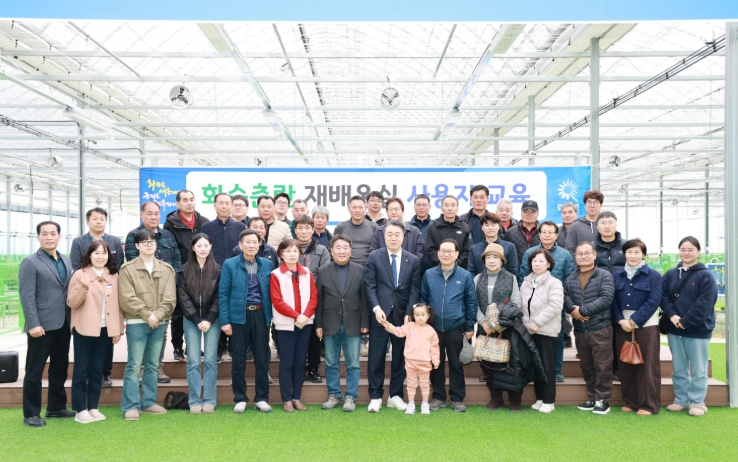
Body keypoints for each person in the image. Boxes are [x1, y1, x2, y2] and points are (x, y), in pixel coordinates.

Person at [19, 221, 75, 427]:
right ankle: (31, 413)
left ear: (59, 236)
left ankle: (56, 408)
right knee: (35, 370)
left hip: (64, 323)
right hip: (41, 326)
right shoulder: (30, 262)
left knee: (59, 368)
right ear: (38, 237)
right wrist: (33, 323)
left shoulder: (66, 261)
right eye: (45, 234)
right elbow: (27, 295)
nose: (49, 237)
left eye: (53, 233)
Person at [119, 229, 177, 421]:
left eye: (152, 241)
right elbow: (127, 297)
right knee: (134, 365)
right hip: (137, 322)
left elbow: (170, 298)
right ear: (137, 246)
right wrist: (147, 314)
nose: (149, 244)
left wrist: (157, 315)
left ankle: (149, 402)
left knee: (153, 364)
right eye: (144, 242)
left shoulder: (166, 269)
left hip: (159, 322)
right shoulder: (127, 269)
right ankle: (131, 405)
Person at [364, 221, 421, 412]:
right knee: (376, 356)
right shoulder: (375, 257)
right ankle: (375, 396)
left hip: (402, 316)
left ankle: (395, 395)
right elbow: (369, 285)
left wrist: (409, 313)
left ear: (403, 237)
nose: (393, 238)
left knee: (400, 356)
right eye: (390, 234)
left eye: (397, 234)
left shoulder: (413, 260)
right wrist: (376, 308)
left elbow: (414, 289)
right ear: (384, 236)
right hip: (380, 315)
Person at [124, 201, 181, 383]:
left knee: (161, 332)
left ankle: (157, 367)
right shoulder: (133, 236)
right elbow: (133, 264)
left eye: (156, 213)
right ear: (141, 215)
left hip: (164, 295)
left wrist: (170, 287)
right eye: (149, 213)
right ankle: (142, 369)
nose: (154, 217)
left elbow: (177, 261)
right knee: (140, 333)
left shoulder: (168, 235)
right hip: (141, 295)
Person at [66, 240, 123, 424]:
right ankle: (80, 409)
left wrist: (117, 329)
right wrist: (83, 288)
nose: (100, 257)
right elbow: (71, 302)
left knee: (97, 370)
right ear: (89, 255)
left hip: (105, 330)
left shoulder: (113, 275)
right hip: (84, 329)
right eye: (96, 253)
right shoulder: (80, 274)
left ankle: (93, 407)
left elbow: (118, 305)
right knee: (81, 369)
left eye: (104, 253)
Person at [662, 236, 718, 417]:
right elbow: (662, 296)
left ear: (698, 252)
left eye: (690, 250)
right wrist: (672, 315)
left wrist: (685, 321)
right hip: (674, 329)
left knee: (699, 369)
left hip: (697, 330)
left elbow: (704, 304)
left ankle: (697, 402)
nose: (686, 253)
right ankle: (681, 400)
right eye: (683, 249)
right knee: (679, 367)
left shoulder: (706, 276)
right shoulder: (670, 274)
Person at [220, 230, 274, 414]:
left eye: (255, 242)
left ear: (260, 244)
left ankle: (261, 398)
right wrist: (225, 321)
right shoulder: (229, 264)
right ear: (240, 244)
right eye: (248, 242)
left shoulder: (267, 264)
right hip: (238, 316)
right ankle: (240, 398)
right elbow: (223, 293)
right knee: (238, 359)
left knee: (262, 358)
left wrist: (270, 318)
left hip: (260, 314)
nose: (251, 245)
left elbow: (272, 292)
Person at [69, 207, 124, 388]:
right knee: (87, 341)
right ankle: (86, 375)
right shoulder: (79, 242)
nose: (99, 221)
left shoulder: (114, 241)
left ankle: (105, 373)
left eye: (102, 218)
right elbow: (76, 265)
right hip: (87, 290)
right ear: (88, 221)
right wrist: (89, 283)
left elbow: (118, 265)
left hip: (109, 290)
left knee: (107, 340)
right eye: (95, 218)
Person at [420, 239, 477, 412]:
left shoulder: (465, 276)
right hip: (433, 328)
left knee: (456, 364)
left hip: (456, 326)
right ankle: (438, 397)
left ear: (457, 254)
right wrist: (423, 324)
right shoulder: (429, 274)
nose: (446, 254)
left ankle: (457, 398)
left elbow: (471, 302)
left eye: (450, 251)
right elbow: (423, 299)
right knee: (435, 363)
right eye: (443, 251)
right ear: (438, 253)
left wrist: (469, 326)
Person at [315, 234, 370, 412]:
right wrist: (318, 324)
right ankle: (333, 395)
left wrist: (365, 321)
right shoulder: (323, 270)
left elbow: (364, 299)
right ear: (331, 251)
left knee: (353, 363)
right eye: (338, 247)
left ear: (350, 250)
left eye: (345, 248)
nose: (342, 251)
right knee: (331, 362)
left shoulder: (360, 270)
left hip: (353, 322)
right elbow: (319, 300)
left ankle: (351, 396)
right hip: (329, 323)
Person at [518, 221, 574, 383]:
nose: (547, 235)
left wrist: (564, 303)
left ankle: (556, 370)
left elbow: (569, 281)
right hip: (532, 304)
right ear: (539, 234)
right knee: (531, 337)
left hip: (555, 303)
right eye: (544, 232)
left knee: (556, 337)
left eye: (551, 232)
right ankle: (533, 370)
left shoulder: (564, 255)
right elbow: (523, 278)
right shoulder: (530, 253)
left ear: (556, 235)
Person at [611, 238, 662, 416]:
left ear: (643, 254)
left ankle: (648, 405)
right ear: (624, 254)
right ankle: (631, 402)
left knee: (647, 366)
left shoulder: (653, 275)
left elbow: (654, 300)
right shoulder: (616, 275)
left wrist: (635, 320)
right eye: (629, 252)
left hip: (646, 325)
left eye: (637, 252)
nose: (633, 256)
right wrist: (620, 320)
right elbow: (613, 301)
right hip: (622, 326)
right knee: (625, 364)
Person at [564, 241, 615, 415]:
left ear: (594, 255)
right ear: (575, 257)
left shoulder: (604, 275)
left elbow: (606, 298)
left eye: (587, 253)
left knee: (603, 366)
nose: (583, 256)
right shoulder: (571, 278)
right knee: (587, 366)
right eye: (580, 254)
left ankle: (603, 400)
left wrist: (582, 311)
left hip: (600, 327)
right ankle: (592, 398)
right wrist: (573, 311)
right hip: (580, 330)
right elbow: (565, 296)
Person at [472, 243, 522, 411]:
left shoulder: (511, 278)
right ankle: (496, 398)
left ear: (502, 261)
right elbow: (473, 303)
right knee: (488, 365)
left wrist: (500, 323)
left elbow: (515, 302)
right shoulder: (477, 279)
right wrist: (483, 322)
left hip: (506, 328)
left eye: (495, 258)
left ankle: (515, 399)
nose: (492, 261)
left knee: (511, 364)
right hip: (484, 329)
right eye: (488, 257)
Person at [270, 240, 318, 412]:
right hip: (285, 325)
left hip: (305, 324)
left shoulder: (307, 273)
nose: (292, 254)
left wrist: (304, 316)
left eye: (295, 251)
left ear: (300, 254)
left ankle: (296, 397)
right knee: (287, 363)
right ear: (281, 254)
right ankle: (286, 399)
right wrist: (296, 316)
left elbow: (314, 297)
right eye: (288, 251)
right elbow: (277, 301)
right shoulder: (276, 274)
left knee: (300, 362)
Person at [178, 233, 222, 414]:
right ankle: (195, 400)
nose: (203, 249)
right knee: (194, 361)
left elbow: (220, 296)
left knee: (211, 360)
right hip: (191, 320)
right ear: (193, 248)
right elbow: (183, 297)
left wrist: (210, 319)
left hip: (213, 320)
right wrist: (196, 320)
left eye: (206, 245)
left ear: (210, 247)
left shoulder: (218, 270)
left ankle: (209, 399)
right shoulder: (183, 270)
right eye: (199, 246)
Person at [164, 190, 209, 362]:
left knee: (196, 310)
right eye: (185, 200)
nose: (189, 203)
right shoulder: (171, 224)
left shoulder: (203, 222)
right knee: (178, 312)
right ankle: (177, 346)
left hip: (201, 272)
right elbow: (171, 250)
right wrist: (177, 271)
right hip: (180, 272)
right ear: (177, 204)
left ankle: (193, 347)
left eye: (191, 199)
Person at [520, 249, 564, 413]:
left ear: (549, 264)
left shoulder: (554, 283)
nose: (537, 264)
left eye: (541, 261)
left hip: (546, 331)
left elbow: (555, 306)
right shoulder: (526, 282)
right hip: (528, 331)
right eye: (534, 261)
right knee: (535, 366)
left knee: (546, 366)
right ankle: (539, 398)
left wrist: (537, 323)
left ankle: (549, 401)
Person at [335, 195, 379, 357]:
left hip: (368, 272)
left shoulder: (373, 227)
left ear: (365, 208)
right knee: (345, 306)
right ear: (349, 209)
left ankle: (363, 342)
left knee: (365, 305)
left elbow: (377, 249)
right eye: (354, 207)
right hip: (346, 272)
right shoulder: (341, 227)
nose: (358, 210)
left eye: (361, 207)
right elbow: (335, 249)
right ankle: (342, 341)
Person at [381, 303, 440, 415]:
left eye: (423, 315)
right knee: (411, 384)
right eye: (417, 315)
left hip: (425, 363)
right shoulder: (409, 326)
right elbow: (398, 331)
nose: (420, 317)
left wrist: (435, 360)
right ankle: (411, 403)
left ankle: (425, 404)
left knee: (424, 384)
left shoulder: (431, 331)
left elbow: (434, 348)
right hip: (410, 362)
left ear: (428, 316)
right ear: (413, 316)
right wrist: (388, 325)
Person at [293, 215, 331, 383]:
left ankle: (314, 368)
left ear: (313, 229)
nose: (304, 231)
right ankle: (299, 368)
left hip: (315, 299)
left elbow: (325, 274)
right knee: (298, 337)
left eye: (307, 228)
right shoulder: (289, 247)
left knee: (314, 337)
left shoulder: (322, 250)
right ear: (295, 230)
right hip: (294, 300)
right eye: (300, 228)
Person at [425, 195, 473, 269]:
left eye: (453, 205)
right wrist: (442, 264)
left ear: (457, 208)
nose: (450, 208)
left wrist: (457, 265)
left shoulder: (465, 227)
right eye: (446, 205)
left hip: (460, 269)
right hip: (438, 268)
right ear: (442, 208)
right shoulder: (433, 226)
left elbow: (468, 250)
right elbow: (430, 249)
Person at [467, 212, 518, 277]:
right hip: (479, 283)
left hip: (505, 282)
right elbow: (471, 272)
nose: (490, 228)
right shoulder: (474, 249)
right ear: (482, 227)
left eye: (493, 225)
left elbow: (514, 271)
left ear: (499, 227)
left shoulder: (510, 247)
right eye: (487, 225)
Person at [201, 193, 246, 266]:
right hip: (213, 269)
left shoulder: (240, 227)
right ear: (215, 206)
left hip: (236, 268)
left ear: (231, 206)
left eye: (227, 203)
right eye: (221, 203)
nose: (224, 206)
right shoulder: (206, 227)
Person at [502, 199, 541, 269]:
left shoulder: (543, 232)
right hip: (517, 272)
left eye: (532, 212)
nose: (529, 215)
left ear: (537, 214)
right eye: (526, 212)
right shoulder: (511, 232)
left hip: (539, 271)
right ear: (521, 213)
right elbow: (506, 255)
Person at [565, 190, 604, 254]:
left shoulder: (605, 225)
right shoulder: (575, 226)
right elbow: (570, 250)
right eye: (589, 202)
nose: (592, 205)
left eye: (596, 202)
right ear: (585, 205)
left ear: (601, 205)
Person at [408, 194, 433, 276]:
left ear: (429, 207)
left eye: (424, 205)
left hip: (431, 269)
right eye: (418, 205)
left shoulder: (435, 226)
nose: (421, 208)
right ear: (414, 207)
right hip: (410, 270)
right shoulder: (407, 226)